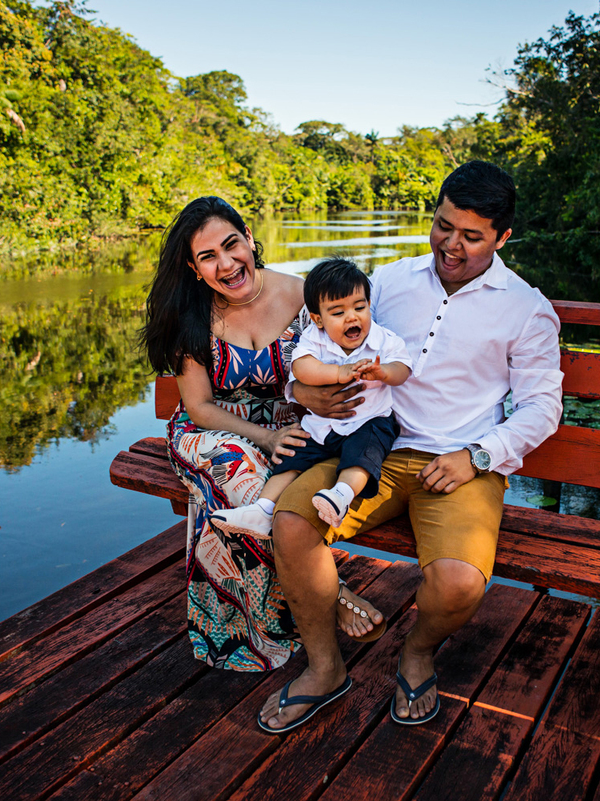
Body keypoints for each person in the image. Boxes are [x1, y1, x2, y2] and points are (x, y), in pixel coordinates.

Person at [257, 162, 564, 733]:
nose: (451, 245)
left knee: (459, 582)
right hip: (371, 446)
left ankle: (417, 651)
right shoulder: (389, 282)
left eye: (471, 237)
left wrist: (477, 456)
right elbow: (319, 341)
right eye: (444, 225)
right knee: (290, 523)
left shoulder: (526, 309)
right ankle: (325, 668)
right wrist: (303, 390)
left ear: (503, 238)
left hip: (459, 463)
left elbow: (543, 407)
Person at [140, 197, 384, 672]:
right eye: (208, 257)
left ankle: (302, 600)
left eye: (232, 245)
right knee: (241, 472)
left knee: (282, 475)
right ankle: (329, 592)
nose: (227, 264)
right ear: (194, 268)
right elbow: (199, 406)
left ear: (250, 238)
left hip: (295, 426)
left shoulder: (305, 297)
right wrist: (264, 437)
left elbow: (350, 359)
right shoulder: (192, 317)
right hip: (213, 431)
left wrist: (307, 406)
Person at [210, 257, 412, 539]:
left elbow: (403, 370)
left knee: (363, 454)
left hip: (371, 420)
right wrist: (339, 372)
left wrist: (383, 372)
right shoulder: (314, 339)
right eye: (338, 312)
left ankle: (341, 496)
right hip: (321, 427)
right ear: (318, 319)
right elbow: (302, 368)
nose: (352, 317)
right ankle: (262, 509)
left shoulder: (384, 340)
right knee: (290, 459)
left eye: (359, 307)